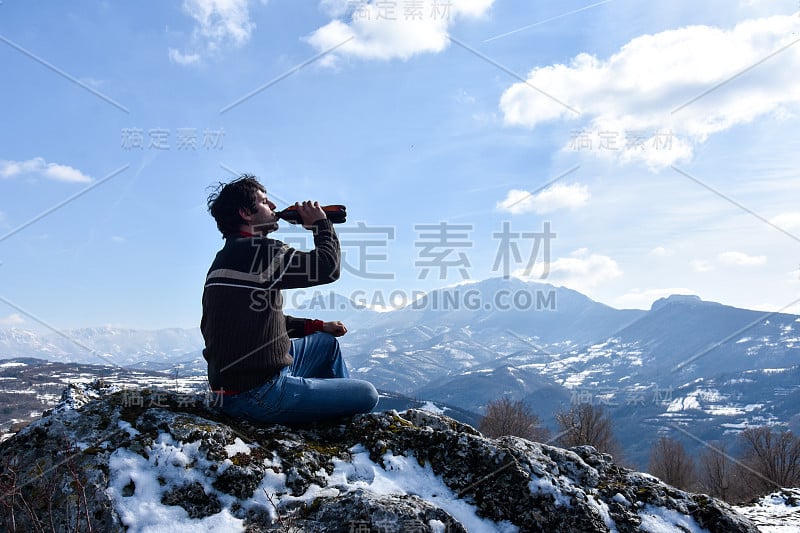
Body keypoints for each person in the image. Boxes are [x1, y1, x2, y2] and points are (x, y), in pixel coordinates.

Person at [201, 174, 378, 424]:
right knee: (367, 394)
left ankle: (325, 406)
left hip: (231, 390)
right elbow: (327, 267)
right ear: (246, 213)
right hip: (258, 394)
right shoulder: (261, 252)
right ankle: (340, 423)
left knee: (325, 343)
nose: (274, 206)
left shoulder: (225, 258)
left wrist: (317, 326)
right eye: (264, 202)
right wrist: (320, 224)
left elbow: (259, 321)